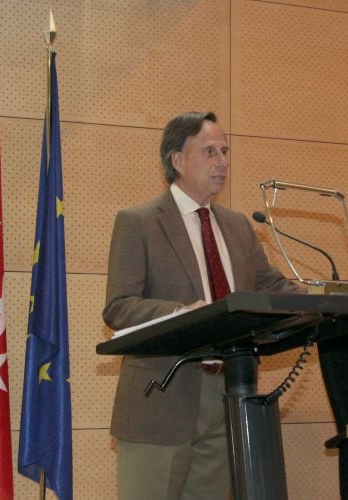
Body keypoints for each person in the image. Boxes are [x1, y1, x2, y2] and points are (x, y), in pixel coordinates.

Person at [103, 111, 299, 499]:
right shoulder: (138, 222)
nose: (223, 161)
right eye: (210, 151)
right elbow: (119, 306)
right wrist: (182, 315)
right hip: (161, 397)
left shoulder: (239, 225)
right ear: (177, 160)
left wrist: (326, 297)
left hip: (228, 392)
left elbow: (272, 286)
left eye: (224, 150)